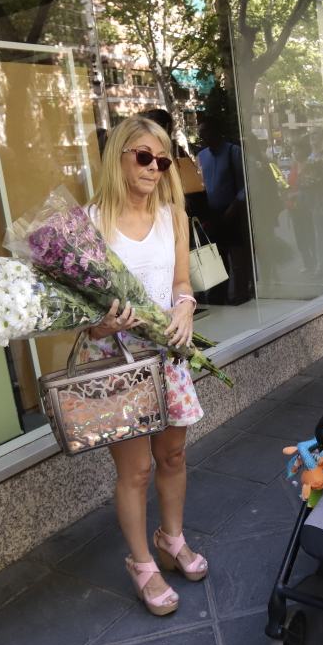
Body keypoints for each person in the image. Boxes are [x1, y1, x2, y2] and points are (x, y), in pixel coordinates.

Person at [86, 115, 208, 616]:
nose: (154, 168)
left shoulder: (172, 216)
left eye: (161, 160)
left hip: (167, 353)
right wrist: (103, 325)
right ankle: (141, 563)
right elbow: (83, 318)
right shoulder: (90, 223)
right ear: (118, 156)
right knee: (135, 470)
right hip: (118, 361)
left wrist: (184, 307)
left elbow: (182, 283)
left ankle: (170, 538)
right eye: (143, 156)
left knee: (174, 457)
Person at [197, 119, 253, 303]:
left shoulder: (233, 152)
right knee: (218, 256)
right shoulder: (202, 156)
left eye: (206, 134)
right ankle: (219, 294)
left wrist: (236, 204)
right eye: (201, 135)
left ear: (216, 132)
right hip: (213, 212)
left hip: (233, 210)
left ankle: (241, 293)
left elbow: (245, 183)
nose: (203, 138)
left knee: (237, 255)